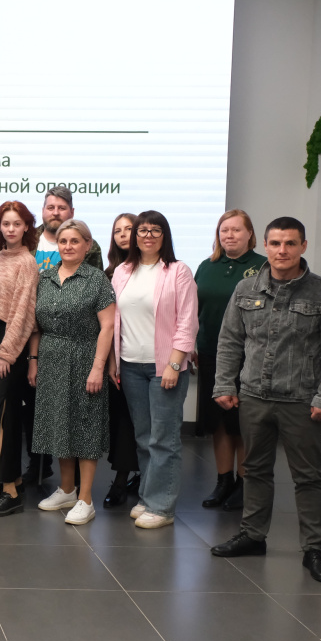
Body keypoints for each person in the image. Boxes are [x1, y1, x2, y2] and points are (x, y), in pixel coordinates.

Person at [210, 217, 321, 584]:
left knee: (308, 477)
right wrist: (224, 384)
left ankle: (314, 548)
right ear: (266, 246)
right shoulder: (245, 289)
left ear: (303, 246)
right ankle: (253, 536)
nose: (282, 250)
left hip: (302, 400)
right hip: (254, 395)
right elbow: (230, 341)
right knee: (255, 470)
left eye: (290, 243)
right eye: (275, 243)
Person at [110, 211, 198, 529]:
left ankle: (162, 507)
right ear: (134, 236)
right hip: (130, 366)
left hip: (165, 366)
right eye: (142, 230)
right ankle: (148, 497)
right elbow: (115, 320)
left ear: (165, 235)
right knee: (144, 438)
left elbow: (187, 321)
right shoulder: (122, 271)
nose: (148, 235)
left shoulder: (178, 271)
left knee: (164, 439)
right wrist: (114, 362)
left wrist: (174, 364)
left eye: (155, 230)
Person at [29, 219, 115, 525]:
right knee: (59, 424)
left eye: (75, 241)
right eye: (63, 241)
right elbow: (36, 327)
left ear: (87, 245)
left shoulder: (97, 280)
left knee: (85, 426)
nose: (68, 246)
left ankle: (85, 499)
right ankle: (66, 489)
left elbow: (108, 326)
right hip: (51, 357)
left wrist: (98, 368)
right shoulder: (45, 277)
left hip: (84, 356)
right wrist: (33, 360)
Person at [23, 184, 105, 485]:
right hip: (42, 343)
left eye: (61, 207)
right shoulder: (32, 245)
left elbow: (99, 311)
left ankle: (81, 489)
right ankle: (48, 472)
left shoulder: (93, 264)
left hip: (81, 346)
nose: (55, 212)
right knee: (47, 415)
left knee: (80, 419)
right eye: (50, 207)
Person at [194, 209, 268, 511]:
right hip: (210, 352)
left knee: (243, 422)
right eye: (224, 230)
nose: (230, 235)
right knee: (219, 423)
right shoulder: (207, 266)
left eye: (236, 230)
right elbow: (193, 310)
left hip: (249, 357)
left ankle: (244, 483)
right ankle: (223, 481)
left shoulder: (262, 266)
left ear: (250, 233)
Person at [0, 201, 39, 518]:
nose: (11, 229)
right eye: (5, 224)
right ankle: (12, 480)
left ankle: (10, 494)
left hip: (8, 344)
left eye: (17, 223)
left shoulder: (27, 262)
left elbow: (23, 313)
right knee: (6, 416)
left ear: (26, 226)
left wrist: (7, 352)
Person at [102, 213, 140, 509]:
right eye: (118, 231)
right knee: (121, 419)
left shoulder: (156, 269)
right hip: (116, 355)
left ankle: (127, 478)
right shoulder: (109, 273)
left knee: (140, 421)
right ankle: (124, 476)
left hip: (146, 354)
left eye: (129, 229)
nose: (123, 234)